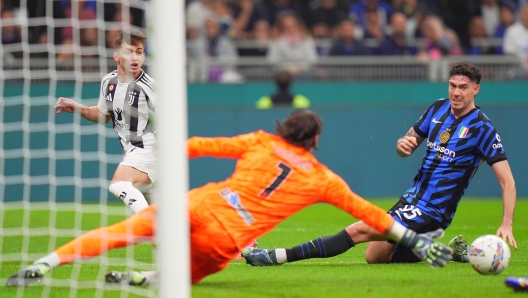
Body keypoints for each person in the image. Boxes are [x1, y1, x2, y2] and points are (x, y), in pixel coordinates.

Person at [6, 110, 453, 287]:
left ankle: (48, 263)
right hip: (228, 237)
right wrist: (416, 241)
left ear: (283, 131)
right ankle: (149, 280)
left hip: (198, 205)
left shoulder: (260, 140)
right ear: (314, 141)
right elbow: (371, 214)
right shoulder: (324, 179)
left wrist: (162, 151)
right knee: (188, 277)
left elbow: (201, 144)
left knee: (116, 233)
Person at [243, 62, 518, 267]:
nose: (456, 93)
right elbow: (408, 143)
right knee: (375, 256)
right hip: (410, 199)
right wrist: (403, 145)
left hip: (433, 210)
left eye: (463, 88)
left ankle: (274, 257)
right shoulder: (437, 108)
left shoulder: (483, 129)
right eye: (452, 86)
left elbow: (507, 180)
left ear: (476, 89)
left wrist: (506, 224)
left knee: (358, 229)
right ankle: (446, 249)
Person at [54, 29, 155, 214]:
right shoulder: (109, 82)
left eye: (139, 52)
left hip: (150, 151)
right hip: (131, 153)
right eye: (128, 52)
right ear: (116, 56)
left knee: (119, 184)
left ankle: (148, 225)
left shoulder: (148, 87)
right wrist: (78, 107)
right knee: (163, 221)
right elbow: (103, 115)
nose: (135, 58)